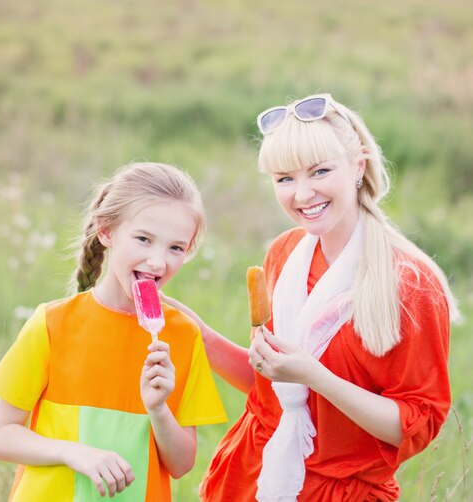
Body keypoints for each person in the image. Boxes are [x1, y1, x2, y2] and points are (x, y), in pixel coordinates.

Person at [165, 94, 459, 501]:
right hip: (252, 476)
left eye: (319, 171)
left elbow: (415, 424)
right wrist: (195, 333)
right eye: (284, 178)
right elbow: (268, 386)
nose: (302, 194)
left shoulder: (409, 284)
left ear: (358, 166)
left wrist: (315, 376)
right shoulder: (283, 253)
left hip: (339, 491)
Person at [0, 162, 227, 501]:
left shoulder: (183, 336)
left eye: (176, 248)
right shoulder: (53, 323)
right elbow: (1, 437)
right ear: (106, 231)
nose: (158, 262)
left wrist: (158, 408)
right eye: (144, 239)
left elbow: (182, 463)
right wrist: (74, 453)